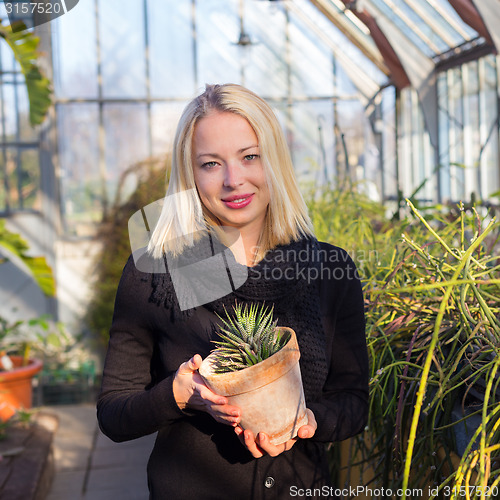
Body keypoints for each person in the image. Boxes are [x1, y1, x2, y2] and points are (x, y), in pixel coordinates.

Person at [97, 83, 369, 499]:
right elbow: (114, 413)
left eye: (249, 157)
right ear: (190, 174)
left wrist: (309, 418)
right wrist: (178, 394)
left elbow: (352, 402)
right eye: (210, 164)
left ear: (273, 160)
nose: (233, 180)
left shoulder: (328, 271)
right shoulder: (153, 273)